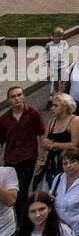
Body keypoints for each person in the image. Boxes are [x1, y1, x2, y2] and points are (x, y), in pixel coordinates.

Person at [1, 86, 44, 218]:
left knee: (21, 193)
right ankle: (23, 222)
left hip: (28, 158)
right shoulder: (3, 119)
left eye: (19, 95)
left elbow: (41, 135)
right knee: (14, 193)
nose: (17, 99)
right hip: (10, 160)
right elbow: (1, 142)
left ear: (24, 96)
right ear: (9, 100)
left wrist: (40, 158)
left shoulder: (33, 113)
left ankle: (22, 224)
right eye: (13, 97)